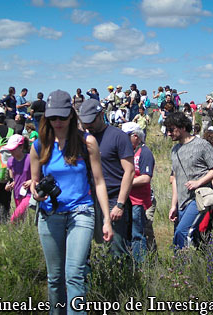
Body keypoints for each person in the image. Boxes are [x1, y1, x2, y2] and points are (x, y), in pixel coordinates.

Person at [29, 90, 113, 314]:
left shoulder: (87, 142)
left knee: (75, 273)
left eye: (62, 117)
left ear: (71, 116)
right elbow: (33, 181)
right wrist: (36, 193)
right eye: (52, 117)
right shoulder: (39, 145)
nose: (57, 122)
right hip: (49, 215)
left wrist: (106, 219)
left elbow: (99, 182)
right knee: (55, 277)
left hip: (81, 212)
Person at [80, 98, 135, 257]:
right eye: (85, 122)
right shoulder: (83, 139)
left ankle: (121, 279)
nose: (88, 125)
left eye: (91, 120)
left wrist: (120, 203)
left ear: (101, 115)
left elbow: (129, 171)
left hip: (113, 198)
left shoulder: (118, 136)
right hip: (89, 198)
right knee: (86, 247)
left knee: (116, 247)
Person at [165, 112, 213, 249]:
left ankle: (183, 265)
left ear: (183, 127)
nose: (169, 133)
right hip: (182, 202)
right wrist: (174, 205)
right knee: (193, 236)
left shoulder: (202, 145)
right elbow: (176, 179)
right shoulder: (175, 150)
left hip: (198, 199)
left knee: (182, 232)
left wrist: (199, 182)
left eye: (171, 130)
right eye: (167, 130)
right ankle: (202, 265)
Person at [122, 122, 155, 263]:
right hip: (126, 199)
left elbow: (146, 177)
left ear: (135, 136)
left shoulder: (145, 152)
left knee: (137, 233)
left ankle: (139, 264)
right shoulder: (127, 152)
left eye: (127, 136)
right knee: (127, 232)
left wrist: (125, 183)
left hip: (139, 200)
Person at [2, 135, 31, 222]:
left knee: (14, 217)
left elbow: (39, 175)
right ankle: (22, 233)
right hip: (17, 192)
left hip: (28, 193)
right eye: (10, 150)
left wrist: (31, 181)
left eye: (13, 149)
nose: (11, 152)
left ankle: (10, 231)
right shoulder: (10, 161)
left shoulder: (30, 158)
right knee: (21, 219)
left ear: (21, 147)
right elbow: (13, 178)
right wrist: (10, 185)